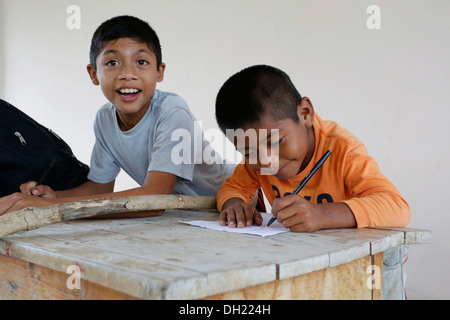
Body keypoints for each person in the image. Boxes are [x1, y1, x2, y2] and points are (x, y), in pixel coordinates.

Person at [0, 15, 232, 217]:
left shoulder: (172, 112)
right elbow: (100, 188)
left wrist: (51, 207)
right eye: (112, 63)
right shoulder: (104, 119)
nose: (127, 74)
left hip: (236, 200)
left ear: (159, 72)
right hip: (188, 215)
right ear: (93, 74)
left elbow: (155, 195)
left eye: (141, 62)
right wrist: (52, 197)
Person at [215, 64, 410, 231]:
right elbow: (234, 187)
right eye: (248, 152)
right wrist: (234, 204)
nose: (267, 160)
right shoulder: (259, 157)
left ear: (305, 113)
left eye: (275, 141)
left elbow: (397, 206)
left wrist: (321, 215)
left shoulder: (343, 151)